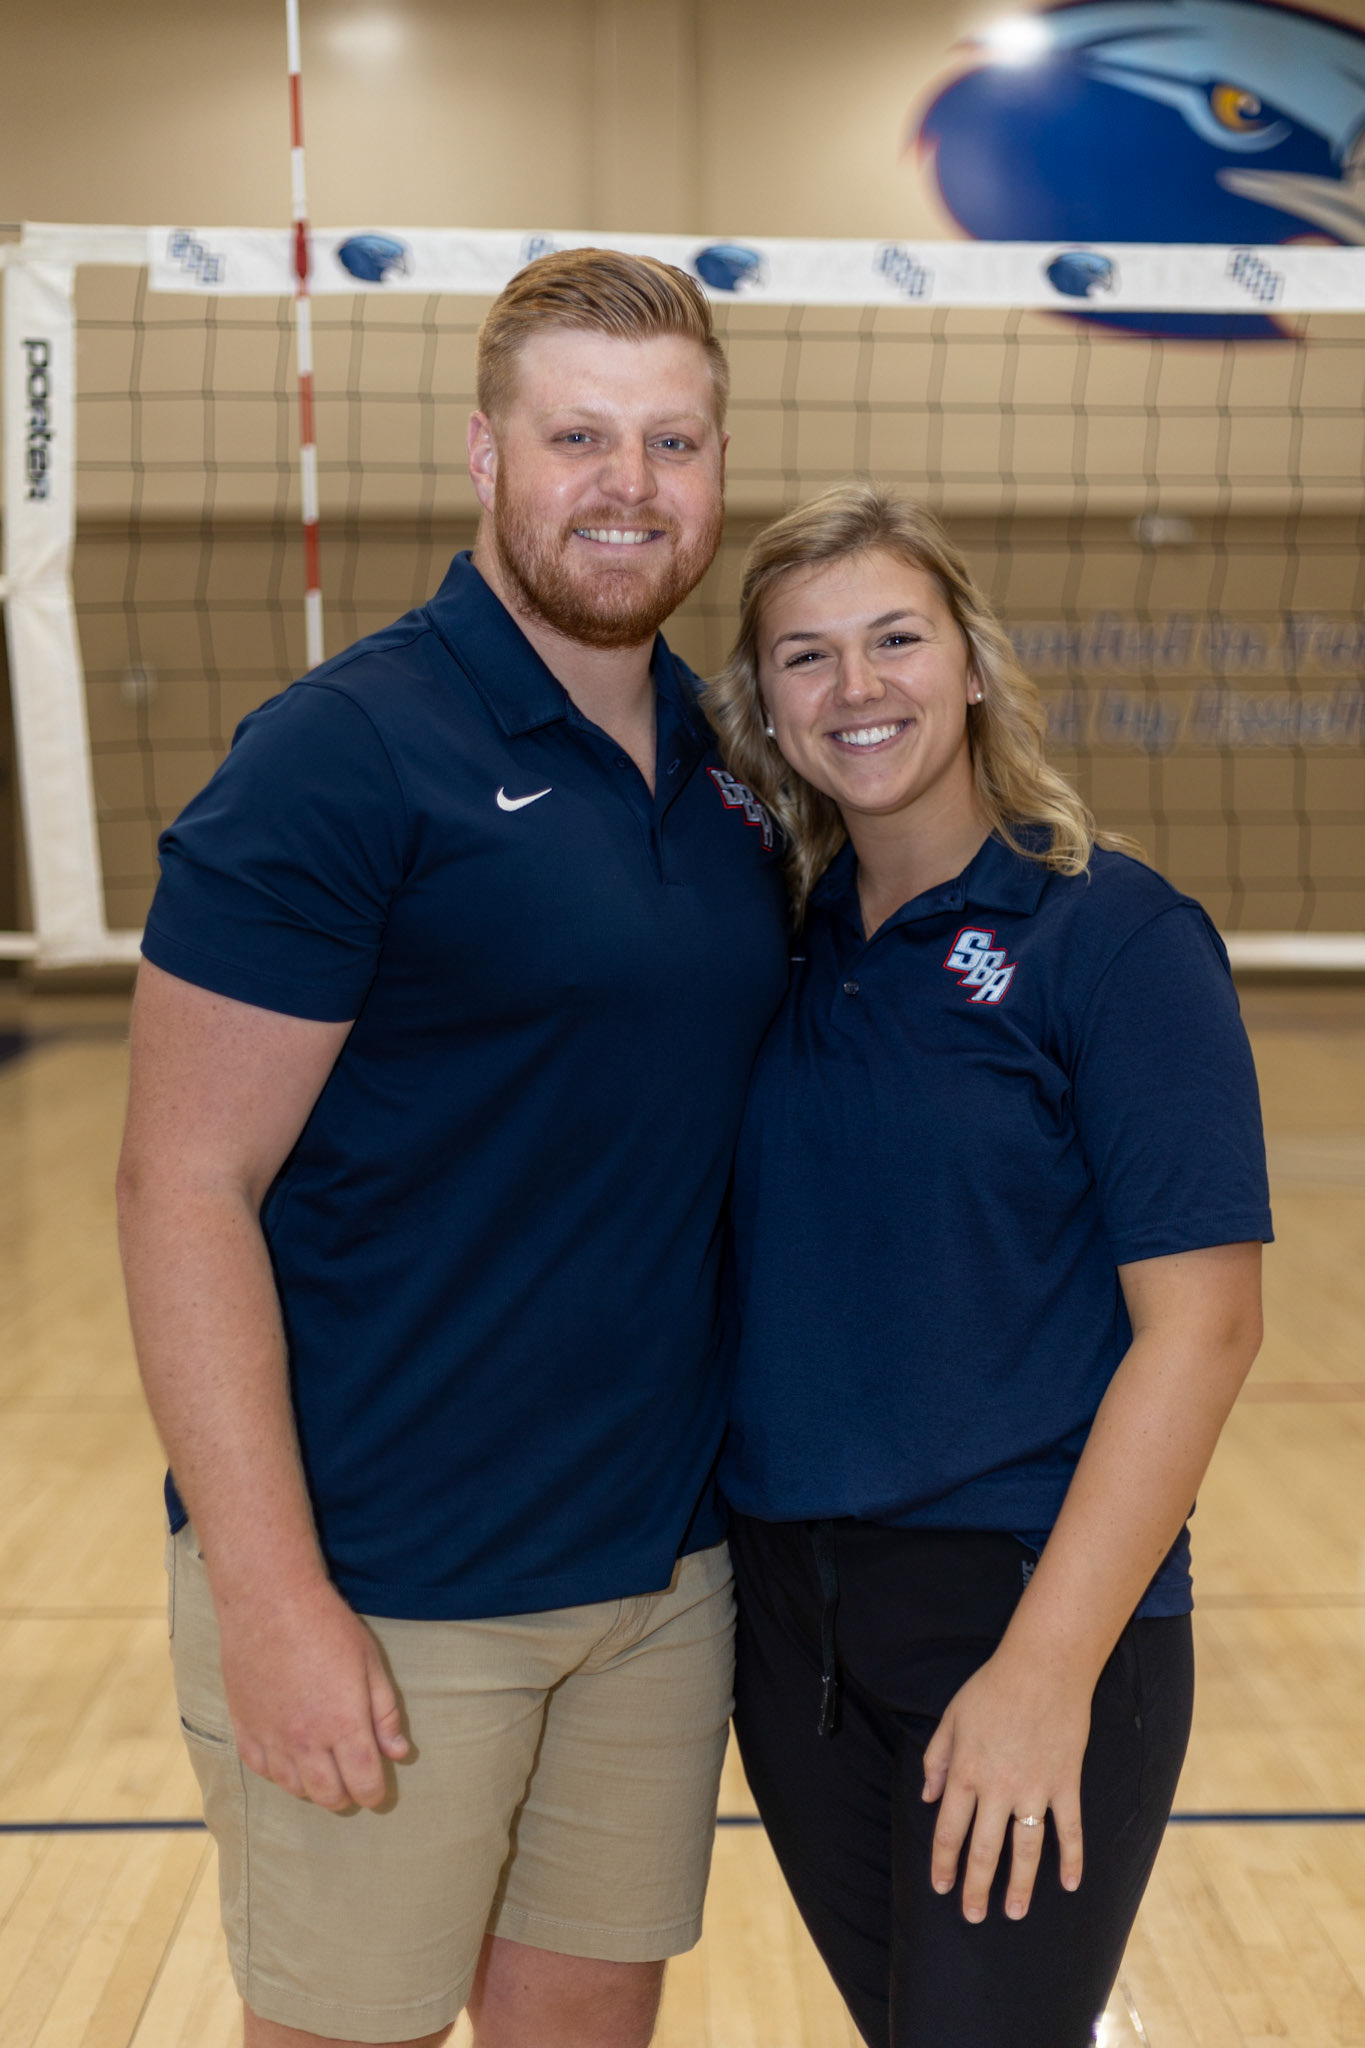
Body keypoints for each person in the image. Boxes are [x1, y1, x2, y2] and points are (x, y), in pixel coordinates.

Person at [115, 250, 789, 2048]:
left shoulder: (728, 771)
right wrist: (273, 1603)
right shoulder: (339, 755)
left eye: (671, 441)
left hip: (654, 1577)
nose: (628, 487)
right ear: (485, 456)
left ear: (721, 467)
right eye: (577, 436)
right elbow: (183, 1188)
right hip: (388, 1579)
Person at [703, 482, 1271, 2048]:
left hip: (1026, 1608)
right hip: (792, 1624)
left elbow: (1205, 1329)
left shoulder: (1111, 934)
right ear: (764, 705)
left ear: (968, 663)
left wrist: (1042, 1670)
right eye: (804, 658)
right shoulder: (779, 940)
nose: (856, 686)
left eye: (894, 638)